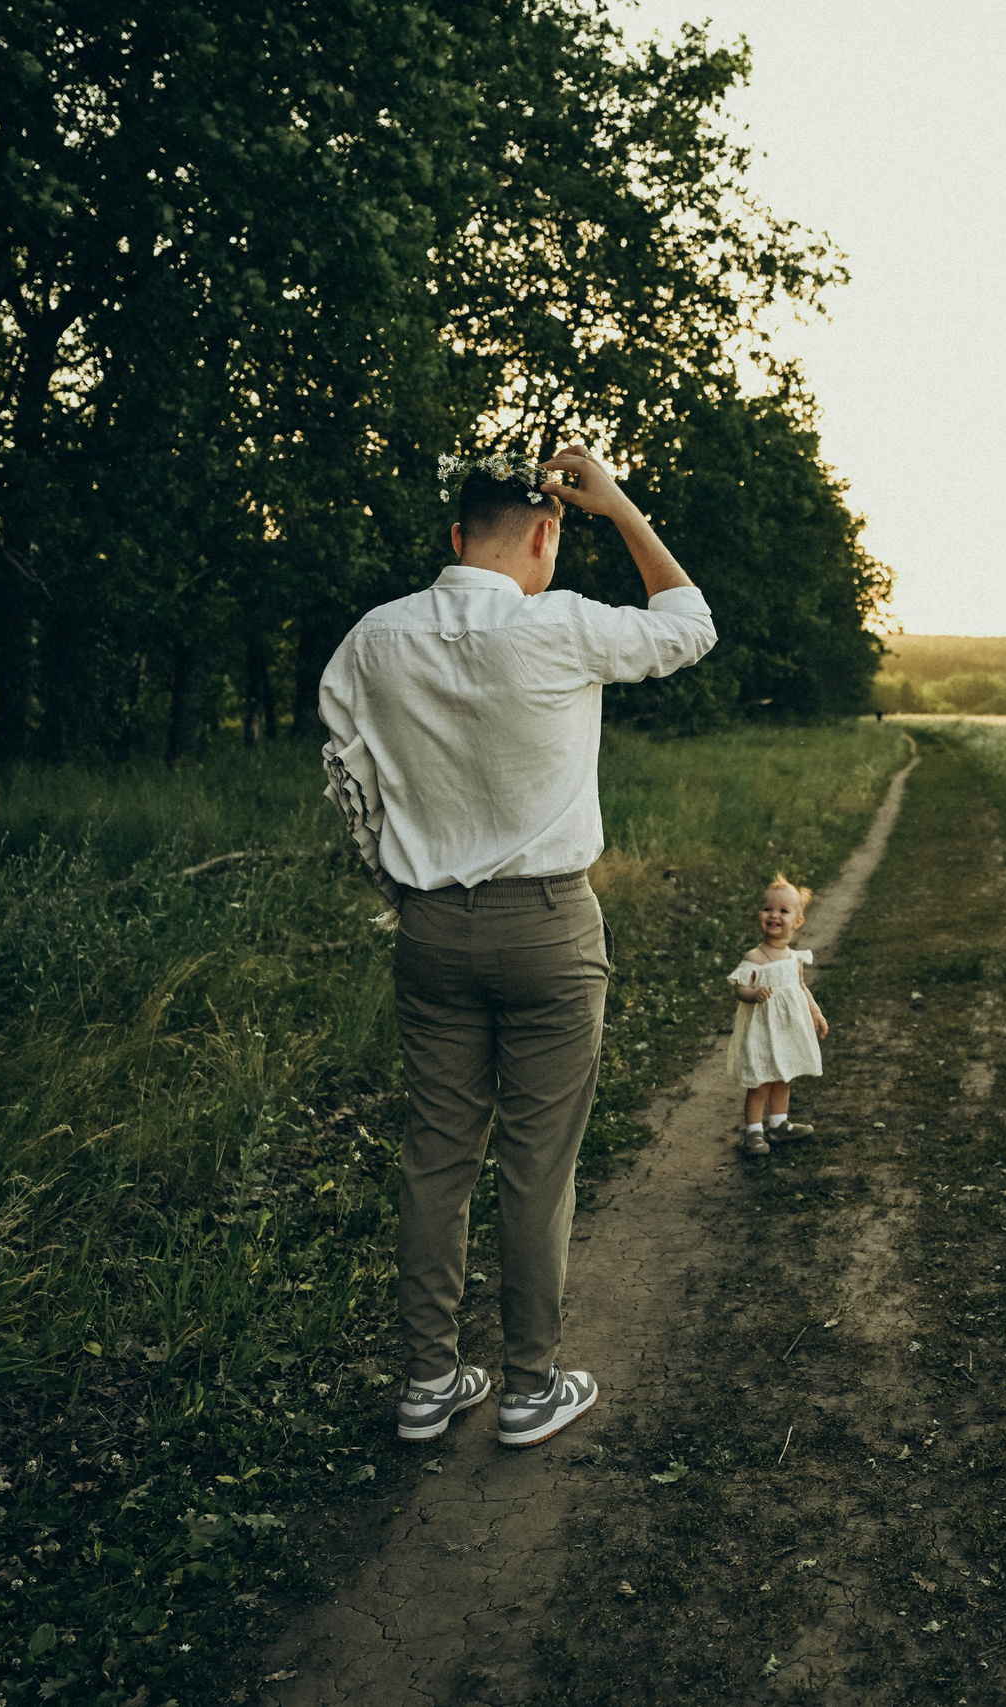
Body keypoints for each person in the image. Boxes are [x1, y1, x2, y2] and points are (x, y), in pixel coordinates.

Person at [319, 446, 717, 1445]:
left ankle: (425, 1382)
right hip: (546, 927)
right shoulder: (561, 626)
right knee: (538, 1165)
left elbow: (351, 788)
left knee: (436, 1158)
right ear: (543, 536)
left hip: (428, 930)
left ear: (454, 539)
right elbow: (690, 625)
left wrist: (398, 891)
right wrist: (620, 508)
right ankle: (531, 1388)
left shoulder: (371, 641)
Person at [726, 875, 831, 1156]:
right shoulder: (755, 957)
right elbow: (740, 988)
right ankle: (753, 1132)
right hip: (763, 1030)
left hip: (786, 1029)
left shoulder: (793, 958)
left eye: (784, 911)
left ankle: (779, 1123)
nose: (774, 916)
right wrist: (753, 994)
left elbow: (801, 987)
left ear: (798, 921)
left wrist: (816, 1012)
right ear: (760, 915)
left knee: (784, 1076)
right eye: (768, 909)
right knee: (760, 1080)